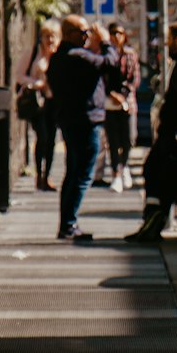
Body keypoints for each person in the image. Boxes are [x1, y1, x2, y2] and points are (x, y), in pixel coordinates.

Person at [126, 22, 177, 242]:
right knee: (156, 173)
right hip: (173, 135)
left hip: (176, 137)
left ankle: (154, 224)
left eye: (169, 39)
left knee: (160, 177)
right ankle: (152, 222)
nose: (166, 44)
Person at [47, 17, 121, 242]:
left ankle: (68, 223)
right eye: (83, 32)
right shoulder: (76, 56)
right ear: (69, 33)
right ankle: (69, 224)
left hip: (71, 120)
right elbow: (109, 62)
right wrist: (107, 42)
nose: (87, 36)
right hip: (85, 120)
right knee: (82, 173)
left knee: (73, 172)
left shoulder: (59, 58)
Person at [15, 20, 60, 190]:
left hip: (53, 101)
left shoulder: (58, 55)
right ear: (40, 37)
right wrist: (36, 83)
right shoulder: (33, 53)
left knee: (52, 140)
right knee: (42, 136)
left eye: (53, 36)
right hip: (37, 101)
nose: (49, 40)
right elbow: (19, 75)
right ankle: (38, 175)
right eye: (46, 36)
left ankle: (46, 176)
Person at [103, 21, 140, 194]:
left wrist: (123, 95)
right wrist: (112, 94)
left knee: (129, 139)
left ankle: (124, 166)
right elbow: (102, 78)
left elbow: (134, 79)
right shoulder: (105, 54)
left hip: (127, 103)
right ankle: (116, 175)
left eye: (119, 33)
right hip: (109, 103)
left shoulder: (130, 54)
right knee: (113, 141)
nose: (116, 36)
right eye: (113, 33)